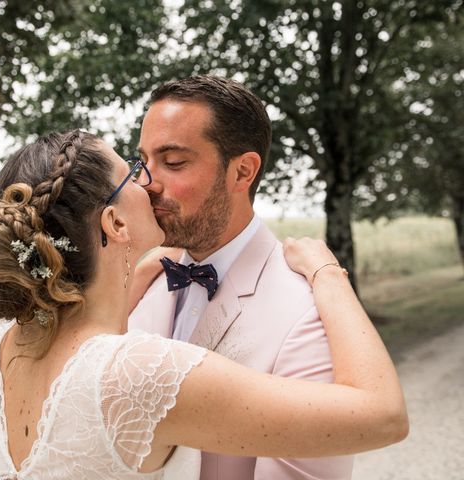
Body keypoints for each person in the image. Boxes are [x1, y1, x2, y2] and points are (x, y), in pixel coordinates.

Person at [0, 130, 407, 480]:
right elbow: (382, 415)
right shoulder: (140, 371)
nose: (148, 183)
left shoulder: (10, 337)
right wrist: (329, 274)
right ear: (115, 222)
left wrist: (138, 264)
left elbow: (80, 327)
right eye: (133, 170)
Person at [128, 75, 353, 479]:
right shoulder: (139, 283)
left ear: (242, 172)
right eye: (142, 161)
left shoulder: (305, 313)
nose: (146, 182)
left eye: (174, 162)